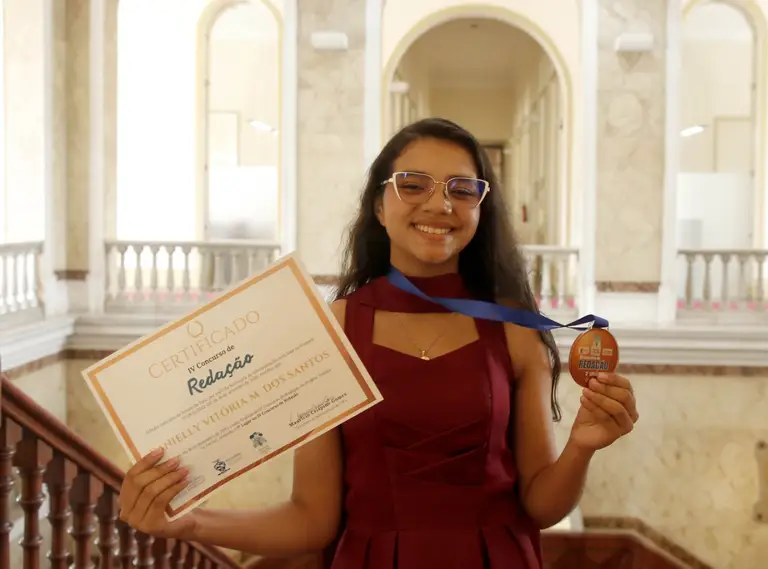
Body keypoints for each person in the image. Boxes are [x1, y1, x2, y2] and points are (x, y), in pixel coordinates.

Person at [117, 118, 639, 568]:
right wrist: (191, 524)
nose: (440, 203)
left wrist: (581, 446)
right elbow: (312, 521)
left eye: (462, 189)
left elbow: (541, 505)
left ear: (480, 211)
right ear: (379, 206)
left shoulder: (516, 331)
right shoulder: (331, 330)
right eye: (413, 185)